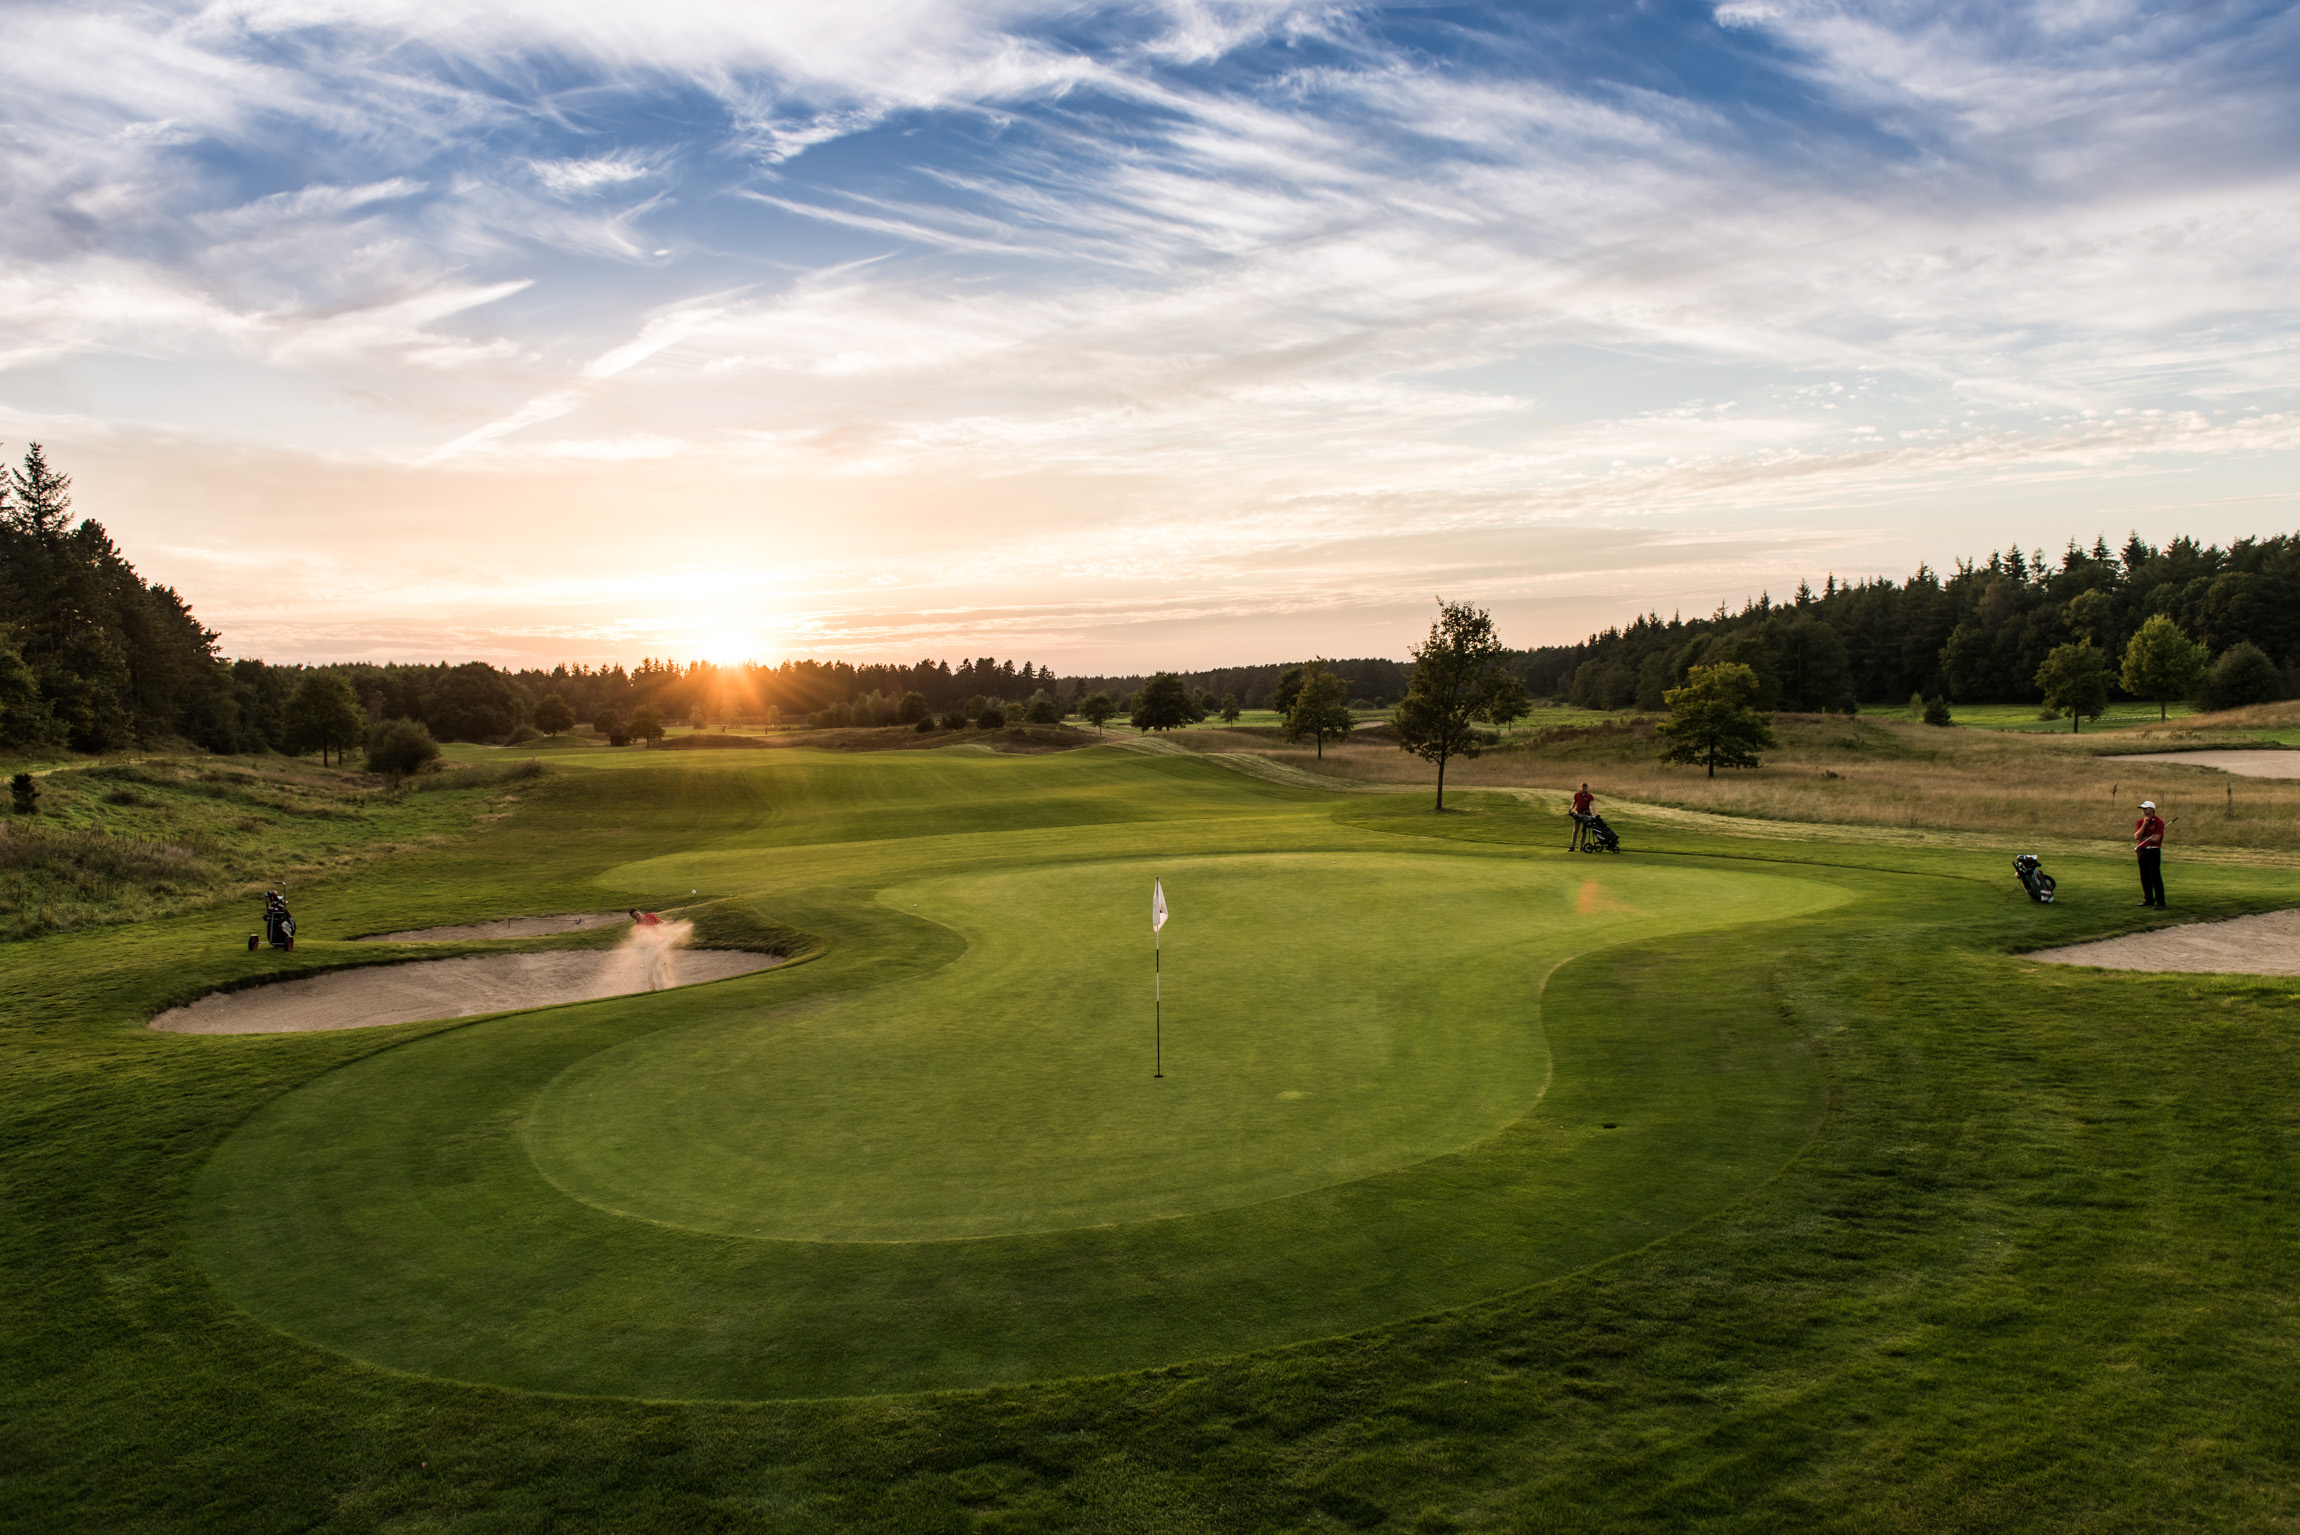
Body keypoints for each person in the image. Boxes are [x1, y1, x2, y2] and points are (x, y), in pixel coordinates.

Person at [2133, 800, 2166, 909]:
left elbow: (2156, 839)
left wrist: (2144, 838)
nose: (2143, 810)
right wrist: (2144, 824)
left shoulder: (2159, 822)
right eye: (2142, 809)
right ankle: (2148, 899)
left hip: (2153, 851)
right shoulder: (2140, 822)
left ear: (2152, 809)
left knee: (2155, 876)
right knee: (2144, 876)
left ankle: (2160, 902)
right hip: (2142, 851)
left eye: (2145, 808)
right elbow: (2137, 836)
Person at [629, 908, 671, 990]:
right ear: (633, 918)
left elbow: (661, 923)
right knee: (650, 970)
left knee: (659, 968)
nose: (637, 917)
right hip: (651, 948)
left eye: (637, 914)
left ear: (640, 912)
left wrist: (668, 923)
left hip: (662, 944)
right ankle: (652, 987)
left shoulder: (650, 916)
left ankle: (662, 987)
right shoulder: (637, 927)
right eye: (635, 917)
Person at [1568, 783, 1595, 850]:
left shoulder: (1589, 796)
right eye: (1583, 788)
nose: (1584, 790)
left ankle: (1582, 846)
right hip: (1578, 814)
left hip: (1586, 815)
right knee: (1575, 830)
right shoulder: (1577, 795)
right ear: (1581, 788)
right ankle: (1572, 846)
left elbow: (1592, 804)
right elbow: (1574, 803)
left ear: (1587, 788)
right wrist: (1571, 808)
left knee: (1584, 831)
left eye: (1585, 788)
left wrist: (1595, 813)